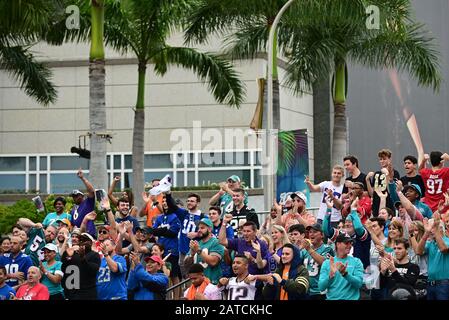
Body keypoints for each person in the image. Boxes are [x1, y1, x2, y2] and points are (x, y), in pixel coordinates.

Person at [324, 197, 371, 269]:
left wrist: (354, 210)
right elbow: (326, 231)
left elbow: (358, 228)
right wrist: (329, 209)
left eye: (350, 222)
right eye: (346, 222)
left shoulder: (363, 235)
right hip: (341, 274)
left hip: (361, 274)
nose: (347, 224)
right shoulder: (342, 236)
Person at [150, 195, 181, 299]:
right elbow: (153, 231)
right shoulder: (160, 217)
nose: (164, 203)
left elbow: (173, 232)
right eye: (162, 201)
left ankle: (177, 298)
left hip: (172, 250)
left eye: (166, 201)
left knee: (174, 275)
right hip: (160, 250)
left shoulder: (175, 216)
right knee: (163, 275)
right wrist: (163, 230)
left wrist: (160, 230)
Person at [166, 193, 203, 278]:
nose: (189, 203)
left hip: (195, 251)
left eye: (192, 201)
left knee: (195, 275)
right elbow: (172, 205)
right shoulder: (184, 213)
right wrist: (168, 194)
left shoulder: (202, 216)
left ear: (198, 203)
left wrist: (197, 233)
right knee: (185, 276)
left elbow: (208, 231)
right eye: (188, 201)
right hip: (183, 250)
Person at [318, 232, 364, 300]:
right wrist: (330, 276)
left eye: (350, 243)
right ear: (338, 244)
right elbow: (321, 287)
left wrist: (345, 274)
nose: (350, 246)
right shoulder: (327, 263)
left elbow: (359, 284)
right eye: (346, 243)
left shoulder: (356, 262)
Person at [414, 214, 449, 300]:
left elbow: (443, 249)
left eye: (432, 227)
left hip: (444, 283)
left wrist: (435, 228)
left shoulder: (447, 241)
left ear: (440, 228)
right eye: (429, 228)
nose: (430, 230)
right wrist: (426, 233)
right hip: (430, 283)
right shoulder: (431, 243)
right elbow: (418, 251)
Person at [60, 233, 101, 300]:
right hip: (72, 292)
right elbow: (64, 268)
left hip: (87, 293)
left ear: (90, 242)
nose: (83, 242)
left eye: (85, 240)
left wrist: (83, 259)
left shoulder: (94, 254)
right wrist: (67, 256)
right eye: (81, 240)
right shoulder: (73, 254)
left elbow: (94, 270)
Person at [185, 218, 225, 285]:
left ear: (209, 229)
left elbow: (213, 262)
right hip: (197, 284)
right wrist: (191, 255)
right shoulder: (197, 243)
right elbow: (186, 265)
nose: (199, 230)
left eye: (202, 228)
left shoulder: (216, 242)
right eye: (199, 228)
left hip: (212, 283)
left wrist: (198, 250)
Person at [301, 223, 334, 300]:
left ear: (322, 235)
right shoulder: (304, 250)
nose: (311, 234)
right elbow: (296, 262)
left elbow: (324, 262)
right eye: (310, 232)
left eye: (315, 232)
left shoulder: (327, 248)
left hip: (320, 292)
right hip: (307, 291)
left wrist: (309, 249)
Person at [366, 149, 401, 216]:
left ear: (389, 159)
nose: (382, 161)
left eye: (384, 159)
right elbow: (372, 194)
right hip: (376, 205)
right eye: (380, 159)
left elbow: (391, 191)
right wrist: (367, 180)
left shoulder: (394, 173)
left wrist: (387, 174)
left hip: (389, 205)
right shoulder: (377, 173)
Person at [70, 169, 96, 236]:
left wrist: (82, 178)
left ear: (82, 196)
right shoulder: (73, 209)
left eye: (77, 195)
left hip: (88, 233)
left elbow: (92, 191)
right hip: (77, 235)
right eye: (73, 196)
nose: (75, 197)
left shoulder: (87, 203)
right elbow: (72, 224)